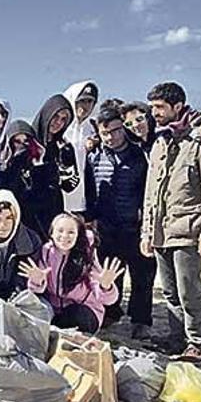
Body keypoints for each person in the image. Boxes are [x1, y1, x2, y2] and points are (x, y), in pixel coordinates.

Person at [141, 82, 201, 361]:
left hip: (189, 230)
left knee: (188, 288)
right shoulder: (159, 142)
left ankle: (198, 341)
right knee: (169, 291)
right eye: (152, 107)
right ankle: (178, 337)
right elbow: (150, 192)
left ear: (177, 106)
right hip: (160, 231)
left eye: (159, 107)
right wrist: (146, 232)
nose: (154, 113)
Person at [84, 107, 153, 336]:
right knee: (111, 273)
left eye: (115, 130)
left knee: (142, 275)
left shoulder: (140, 155)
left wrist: (146, 223)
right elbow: (90, 190)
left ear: (122, 127)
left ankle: (141, 320)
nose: (111, 137)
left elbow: (148, 190)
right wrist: (91, 219)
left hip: (135, 226)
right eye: (106, 133)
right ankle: (112, 312)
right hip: (107, 227)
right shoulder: (94, 156)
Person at [20, 213, 123, 334]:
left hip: (84, 311)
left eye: (71, 232)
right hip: (55, 309)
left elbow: (107, 299)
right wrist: (37, 281)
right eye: (60, 231)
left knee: (75, 315)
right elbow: (38, 288)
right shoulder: (47, 251)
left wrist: (106, 286)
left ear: (78, 235)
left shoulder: (86, 254)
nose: (65, 236)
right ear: (52, 233)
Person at [30, 94, 80, 239]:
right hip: (29, 214)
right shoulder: (28, 141)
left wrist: (67, 164)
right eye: (55, 116)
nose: (58, 122)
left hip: (53, 213)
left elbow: (69, 186)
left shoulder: (62, 147)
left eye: (64, 119)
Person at [62, 81, 99, 214]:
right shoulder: (60, 128)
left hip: (83, 201)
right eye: (81, 100)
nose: (86, 106)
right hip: (61, 201)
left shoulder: (93, 129)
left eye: (90, 101)